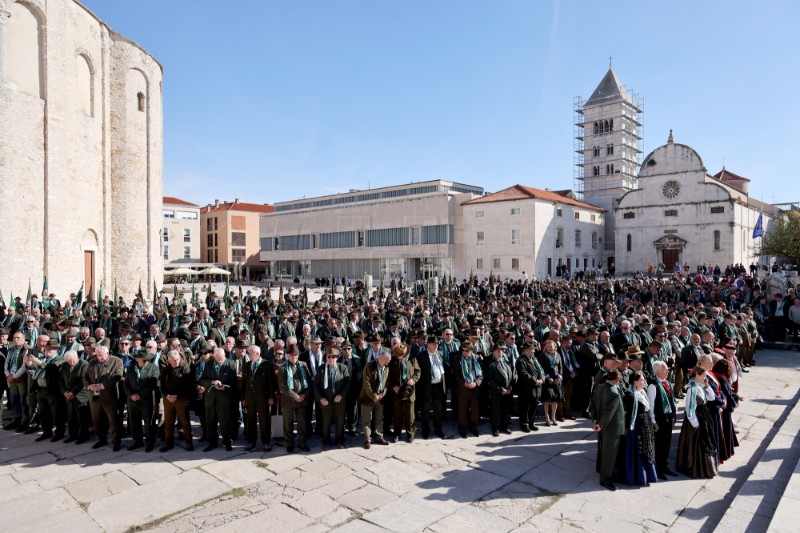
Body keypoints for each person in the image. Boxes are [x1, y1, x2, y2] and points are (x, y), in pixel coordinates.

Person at [676, 366, 719, 478]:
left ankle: (706, 467)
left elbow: (712, 398)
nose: (705, 377)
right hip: (696, 418)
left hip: (704, 416)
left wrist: (708, 386)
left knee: (707, 440)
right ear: (697, 375)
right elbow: (689, 409)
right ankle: (696, 467)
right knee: (697, 444)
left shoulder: (700, 386)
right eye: (703, 375)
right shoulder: (692, 388)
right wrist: (695, 423)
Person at [84, 346, 124, 451]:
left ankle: (116, 441)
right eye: (97, 355)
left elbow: (117, 376)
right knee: (97, 420)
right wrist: (89, 386)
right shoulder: (92, 362)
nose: (99, 357)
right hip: (94, 396)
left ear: (107, 353)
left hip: (109, 396)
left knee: (113, 420)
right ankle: (101, 439)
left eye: (101, 355)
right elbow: (85, 376)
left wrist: (103, 386)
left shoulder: (117, 361)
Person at [622, 370, 658, 486]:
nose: (644, 382)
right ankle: (637, 477)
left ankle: (648, 475)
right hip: (636, 427)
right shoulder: (630, 396)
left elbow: (648, 409)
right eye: (642, 380)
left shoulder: (642, 392)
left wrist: (652, 422)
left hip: (645, 425)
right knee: (638, 450)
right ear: (635, 382)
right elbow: (628, 415)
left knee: (648, 448)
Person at [199, 347, 237, 451]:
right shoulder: (208, 364)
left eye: (222, 359)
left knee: (225, 422)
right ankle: (212, 442)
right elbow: (202, 380)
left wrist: (225, 387)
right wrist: (211, 382)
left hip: (224, 399)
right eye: (218, 359)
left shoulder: (231, 364)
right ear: (214, 357)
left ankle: (227, 442)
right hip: (210, 399)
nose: (220, 361)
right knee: (210, 422)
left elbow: (234, 383)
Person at [593, 369, 625, 491]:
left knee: (603, 451)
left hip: (602, 426)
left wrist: (595, 421)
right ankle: (605, 479)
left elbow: (594, 404)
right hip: (612, 428)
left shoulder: (600, 388)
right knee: (609, 455)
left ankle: (600, 470)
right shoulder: (615, 393)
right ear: (616, 381)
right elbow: (609, 413)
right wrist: (601, 424)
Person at [313, 346, 350, 450]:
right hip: (326, 401)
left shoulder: (343, 368)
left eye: (333, 357)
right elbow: (315, 385)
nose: (331, 359)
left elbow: (347, 382)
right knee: (326, 423)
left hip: (339, 401)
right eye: (329, 357)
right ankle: (326, 441)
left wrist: (341, 395)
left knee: (340, 422)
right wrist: (320, 398)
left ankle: (340, 440)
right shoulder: (321, 369)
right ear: (326, 358)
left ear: (337, 357)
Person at [124, 347, 160, 452]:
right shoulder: (130, 368)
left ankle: (150, 442)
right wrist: (131, 395)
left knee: (149, 421)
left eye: (146, 359)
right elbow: (126, 384)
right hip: (132, 400)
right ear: (137, 359)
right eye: (143, 359)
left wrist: (139, 394)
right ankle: (137, 441)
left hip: (146, 400)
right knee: (134, 421)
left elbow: (152, 384)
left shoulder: (154, 368)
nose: (145, 361)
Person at [647, 360, 677, 480]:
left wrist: (673, 416)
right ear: (658, 371)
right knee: (659, 445)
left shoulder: (667, 383)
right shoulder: (653, 386)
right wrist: (653, 421)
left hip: (668, 418)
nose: (667, 371)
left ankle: (664, 465)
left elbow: (672, 401)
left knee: (666, 444)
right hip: (659, 419)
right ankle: (658, 469)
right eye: (665, 369)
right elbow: (651, 405)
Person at [159, 350, 195, 452]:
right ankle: (168, 442)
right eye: (174, 360)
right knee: (168, 421)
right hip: (168, 399)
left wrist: (177, 395)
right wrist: (167, 396)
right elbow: (161, 385)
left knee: (185, 421)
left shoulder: (185, 368)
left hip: (181, 399)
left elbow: (187, 384)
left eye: (178, 359)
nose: (177, 362)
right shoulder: (165, 370)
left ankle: (188, 441)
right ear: (169, 360)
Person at [278, 345, 311, 452]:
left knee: (302, 423)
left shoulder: (303, 365)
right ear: (287, 355)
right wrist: (295, 396)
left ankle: (303, 443)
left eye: (296, 355)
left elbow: (309, 382)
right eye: (292, 355)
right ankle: (289, 443)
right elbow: (283, 387)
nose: (294, 357)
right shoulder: (282, 368)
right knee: (288, 424)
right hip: (288, 401)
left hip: (302, 400)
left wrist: (304, 395)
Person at [243, 344, 275, 452]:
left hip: (263, 397)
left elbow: (271, 382)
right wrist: (243, 398)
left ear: (257, 354)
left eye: (250, 353)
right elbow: (244, 383)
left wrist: (271, 397)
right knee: (250, 420)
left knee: (264, 420)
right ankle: (251, 441)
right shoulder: (247, 365)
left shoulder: (266, 364)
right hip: (250, 398)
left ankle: (266, 442)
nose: (248, 355)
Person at [387, 343, 419, 443]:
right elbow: (387, 375)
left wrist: (413, 380)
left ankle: (410, 434)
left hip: (409, 391)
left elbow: (418, 371)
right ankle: (397, 434)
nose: (401, 357)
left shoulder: (412, 358)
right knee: (397, 414)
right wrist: (393, 386)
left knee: (410, 414)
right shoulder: (392, 360)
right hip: (397, 392)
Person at [359, 351, 390, 449]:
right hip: (368, 398)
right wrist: (373, 396)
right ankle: (368, 439)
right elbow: (366, 383)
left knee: (379, 419)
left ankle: (379, 436)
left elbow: (386, 383)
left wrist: (382, 394)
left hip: (380, 398)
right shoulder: (369, 366)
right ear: (380, 359)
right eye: (386, 361)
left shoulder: (386, 368)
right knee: (367, 420)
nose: (387, 363)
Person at [59, 350, 90, 444]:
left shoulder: (84, 364)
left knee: (82, 417)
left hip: (80, 395)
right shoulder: (64, 365)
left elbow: (82, 381)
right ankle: (73, 435)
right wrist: (65, 392)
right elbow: (60, 380)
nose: (72, 363)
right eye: (69, 362)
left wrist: (72, 393)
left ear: (77, 357)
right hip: (68, 395)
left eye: (73, 361)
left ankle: (83, 435)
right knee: (71, 416)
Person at [453, 340, 483, 438]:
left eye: (468, 350)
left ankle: (474, 427)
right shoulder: (457, 359)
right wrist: (463, 383)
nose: (465, 352)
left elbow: (481, 375)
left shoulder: (477, 358)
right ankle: (462, 429)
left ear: (472, 350)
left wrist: (476, 383)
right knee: (462, 410)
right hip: (463, 389)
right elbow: (456, 375)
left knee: (474, 410)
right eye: (464, 350)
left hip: (474, 388)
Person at [712, 357, 739, 463]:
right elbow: (727, 394)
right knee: (726, 431)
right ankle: (727, 451)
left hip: (723, 407)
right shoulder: (721, 378)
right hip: (724, 409)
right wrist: (733, 403)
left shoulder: (717, 376)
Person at [486, 341, 515, 436]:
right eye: (498, 351)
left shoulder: (506, 362)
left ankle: (505, 426)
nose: (500, 353)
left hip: (507, 391)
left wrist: (510, 387)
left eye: (502, 351)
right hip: (497, 392)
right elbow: (490, 380)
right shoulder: (491, 364)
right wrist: (500, 389)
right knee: (496, 410)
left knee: (506, 409)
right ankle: (496, 427)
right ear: (493, 352)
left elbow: (511, 376)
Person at [516, 341, 544, 432]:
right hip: (526, 389)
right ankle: (524, 424)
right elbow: (524, 374)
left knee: (534, 406)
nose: (533, 351)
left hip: (536, 388)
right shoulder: (520, 360)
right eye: (532, 349)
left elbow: (541, 370)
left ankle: (531, 423)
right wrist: (534, 381)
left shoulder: (534, 359)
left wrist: (542, 379)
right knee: (525, 407)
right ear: (525, 350)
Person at [538, 339, 564, 426]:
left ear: (554, 347)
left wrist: (559, 377)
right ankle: (547, 417)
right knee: (546, 400)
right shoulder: (542, 355)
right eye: (548, 347)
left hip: (556, 380)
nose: (549, 348)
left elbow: (560, 367)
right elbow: (540, 368)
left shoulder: (558, 355)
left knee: (555, 400)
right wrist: (547, 377)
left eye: (551, 347)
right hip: (547, 380)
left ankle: (553, 417)